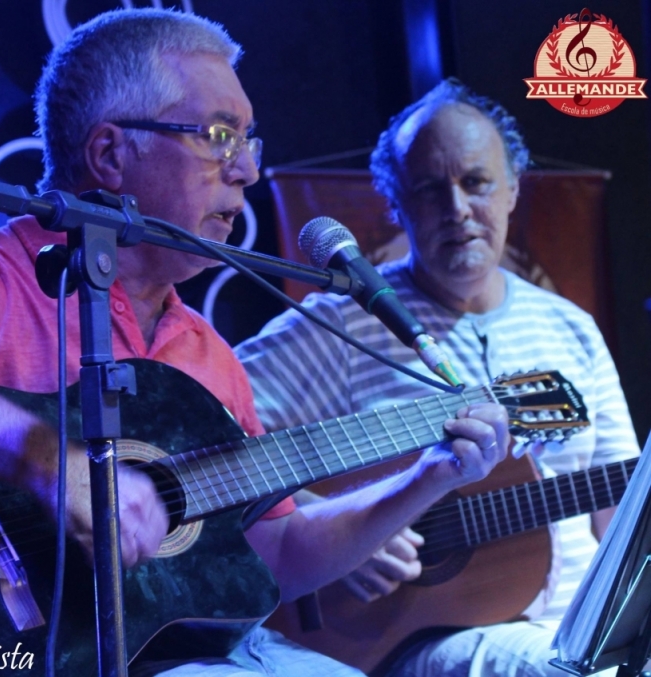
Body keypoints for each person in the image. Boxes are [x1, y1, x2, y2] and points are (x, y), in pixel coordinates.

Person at [0, 12, 508, 677]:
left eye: (249, 138)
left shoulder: (205, 352)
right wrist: (52, 464)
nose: (247, 168)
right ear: (110, 155)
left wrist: (429, 476)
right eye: (219, 135)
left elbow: (277, 554)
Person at [234, 78, 640, 676]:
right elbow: (208, 435)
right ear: (396, 206)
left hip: (576, 622)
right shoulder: (339, 329)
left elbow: (621, 509)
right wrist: (335, 528)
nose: (457, 210)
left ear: (512, 190)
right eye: (428, 189)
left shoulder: (570, 327)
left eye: (475, 182)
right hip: (422, 637)